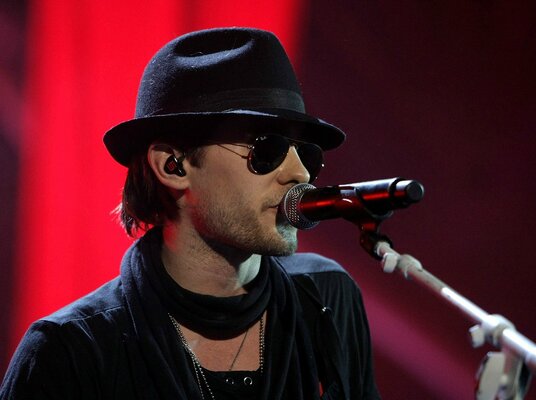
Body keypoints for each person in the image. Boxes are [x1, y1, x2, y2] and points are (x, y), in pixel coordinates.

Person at [1, 27, 380, 399]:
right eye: (267, 149)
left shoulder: (327, 297)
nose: (300, 174)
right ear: (173, 165)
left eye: (306, 153)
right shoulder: (71, 351)